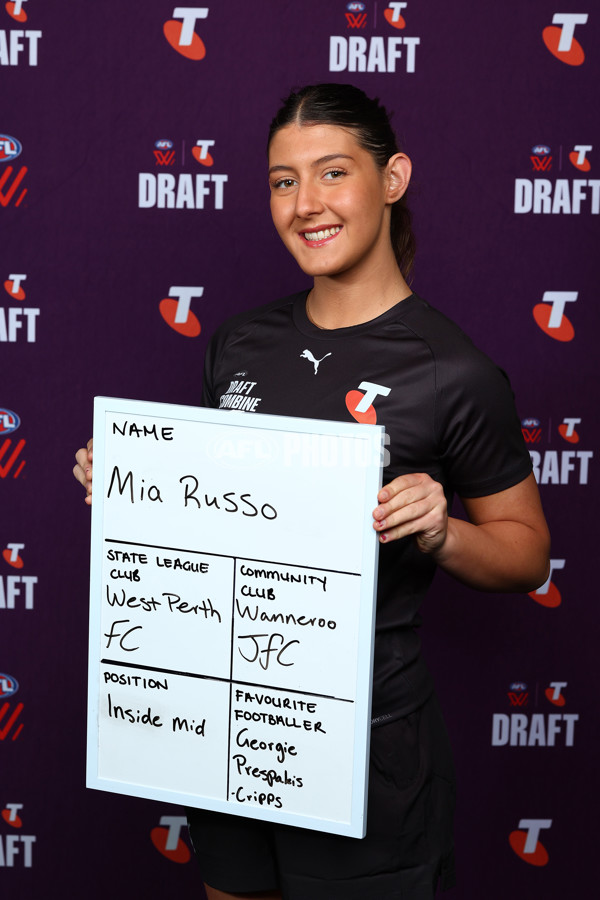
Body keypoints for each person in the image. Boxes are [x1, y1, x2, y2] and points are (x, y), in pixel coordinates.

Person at [74, 83, 550, 900]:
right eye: (283, 181)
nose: (305, 204)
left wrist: (442, 529)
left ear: (392, 178)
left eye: (332, 172)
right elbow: (220, 521)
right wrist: (132, 490)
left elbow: (528, 553)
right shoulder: (239, 344)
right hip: (230, 738)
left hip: (370, 755)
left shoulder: (453, 371)